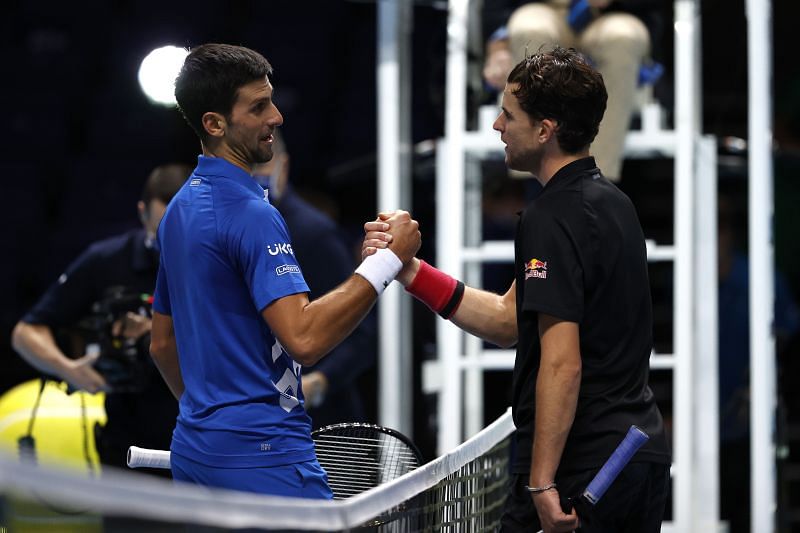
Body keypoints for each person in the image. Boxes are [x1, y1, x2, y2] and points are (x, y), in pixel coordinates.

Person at [365, 47, 670, 532]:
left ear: (545, 130)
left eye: (508, 114)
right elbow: (511, 319)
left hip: (581, 470)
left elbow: (561, 360)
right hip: (634, 458)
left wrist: (542, 483)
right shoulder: (614, 204)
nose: (497, 126)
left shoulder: (552, 218)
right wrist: (411, 271)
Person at [150, 42, 420, 499]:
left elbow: (161, 343)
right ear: (214, 124)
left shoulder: (178, 209)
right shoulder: (252, 213)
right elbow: (305, 339)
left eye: (271, 99)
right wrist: (388, 262)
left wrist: (215, 426)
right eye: (258, 107)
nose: (276, 116)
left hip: (195, 450)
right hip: (266, 455)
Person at [11, 163, 190, 471]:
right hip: (126, 449)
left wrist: (157, 329)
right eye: (160, 230)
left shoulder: (221, 264)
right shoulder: (106, 261)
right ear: (142, 212)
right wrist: (70, 370)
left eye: (179, 230)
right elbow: (26, 332)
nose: (169, 243)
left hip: (204, 443)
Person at [252, 132, 377, 429]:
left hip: (320, 425)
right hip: (251, 420)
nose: (255, 177)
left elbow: (363, 333)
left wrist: (319, 382)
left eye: (263, 166)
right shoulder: (218, 234)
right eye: (247, 167)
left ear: (284, 165)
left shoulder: (313, 234)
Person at [482, 0, 661, 182]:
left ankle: (593, 185)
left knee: (622, 36)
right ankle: (538, 183)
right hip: (543, 10)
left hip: (612, 15)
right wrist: (498, 47)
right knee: (530, 29)